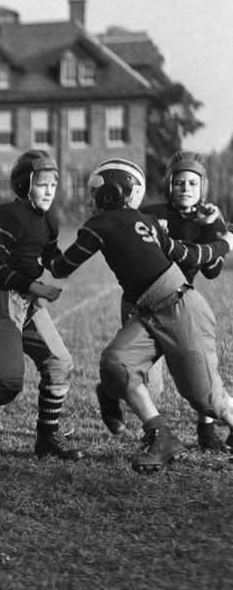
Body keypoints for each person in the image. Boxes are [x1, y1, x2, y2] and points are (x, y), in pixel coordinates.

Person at [46, 157, 233, 472]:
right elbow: (188, 254)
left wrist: (45, 242)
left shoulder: (101, 224)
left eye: (96, 191)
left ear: (113, 192)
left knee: (205, 398)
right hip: (147, 310)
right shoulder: (145, 219)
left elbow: (61, 267)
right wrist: (222, 242)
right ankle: (161, 436)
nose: (91, 198)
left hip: (180, 307)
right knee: (116, 364)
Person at [96, 152, 228, 452]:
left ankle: (206, 430)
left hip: (180, 304)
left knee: (202, 372)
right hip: (140, 303)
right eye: (179, 182)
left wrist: (212, 229)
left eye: (192, 183)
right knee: (148, 382)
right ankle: (124, 404)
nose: (185, 188)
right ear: (169, 185)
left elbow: (212, 270)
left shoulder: (205, 219)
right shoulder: (151, 213)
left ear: (202, 187)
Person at [0, 150, 84, 462]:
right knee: (8, 382)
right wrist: (35, 287)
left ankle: (46, 440)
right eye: (42, 184)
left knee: (59, 364)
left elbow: (54, 263)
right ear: (22, 186)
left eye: (54, 185)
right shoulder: (6, 216)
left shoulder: (48, 222)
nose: (49, 191)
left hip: (25, 299)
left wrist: (95, 241)